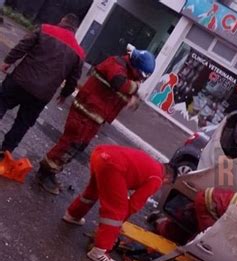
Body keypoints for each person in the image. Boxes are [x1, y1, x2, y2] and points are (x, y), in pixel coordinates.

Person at [37, 45, 156, 195]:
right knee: (68, 143)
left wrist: (132, 97)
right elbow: (118, 82)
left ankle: (52, 171)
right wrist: (135, 89)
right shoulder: (116, 64)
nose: (141, 79)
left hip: (94, 117)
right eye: (142, 75)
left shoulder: (128, 72)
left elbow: (116, 93)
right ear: (137, 66)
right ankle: (44, 172)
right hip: (84, 113)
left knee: (76, 148)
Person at [62, 144, 174, 261]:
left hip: (100, 154)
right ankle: (99, 251)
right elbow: (134, 204)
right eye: (167, 183)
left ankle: (73, 215)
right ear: (168, 177)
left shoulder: (151, 163)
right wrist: (115, 228)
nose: (163, 185)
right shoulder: (157, 178)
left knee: (93, 191)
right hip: (112, 166)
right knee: (117, 211)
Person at [0, 13, 84, 158]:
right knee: (22, 124)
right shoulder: (79, 52)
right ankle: (4, 153)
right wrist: (64, 94)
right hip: (41, 95)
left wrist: (8, 61)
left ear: (62, 21)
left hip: (19, 81)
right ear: (75, 29)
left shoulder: (45, 29)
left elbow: (23, 46)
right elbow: (73, 79)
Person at [156, 187, 237, 244]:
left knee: (193, 223)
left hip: (210, 199)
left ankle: (161, 223)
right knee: (207, 242)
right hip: (208, 203)